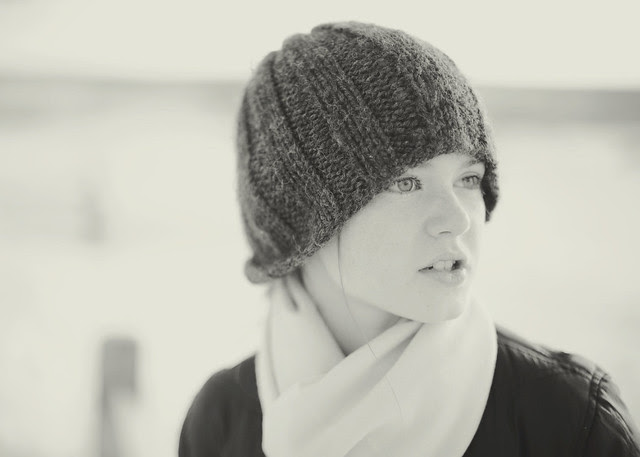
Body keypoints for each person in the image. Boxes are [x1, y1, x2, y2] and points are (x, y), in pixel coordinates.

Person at [179, 21, 640, 457]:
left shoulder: (569, 418)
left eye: (469, 178)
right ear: (299, 219)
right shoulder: (221, 420)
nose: (458, 220)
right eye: (406, 183)